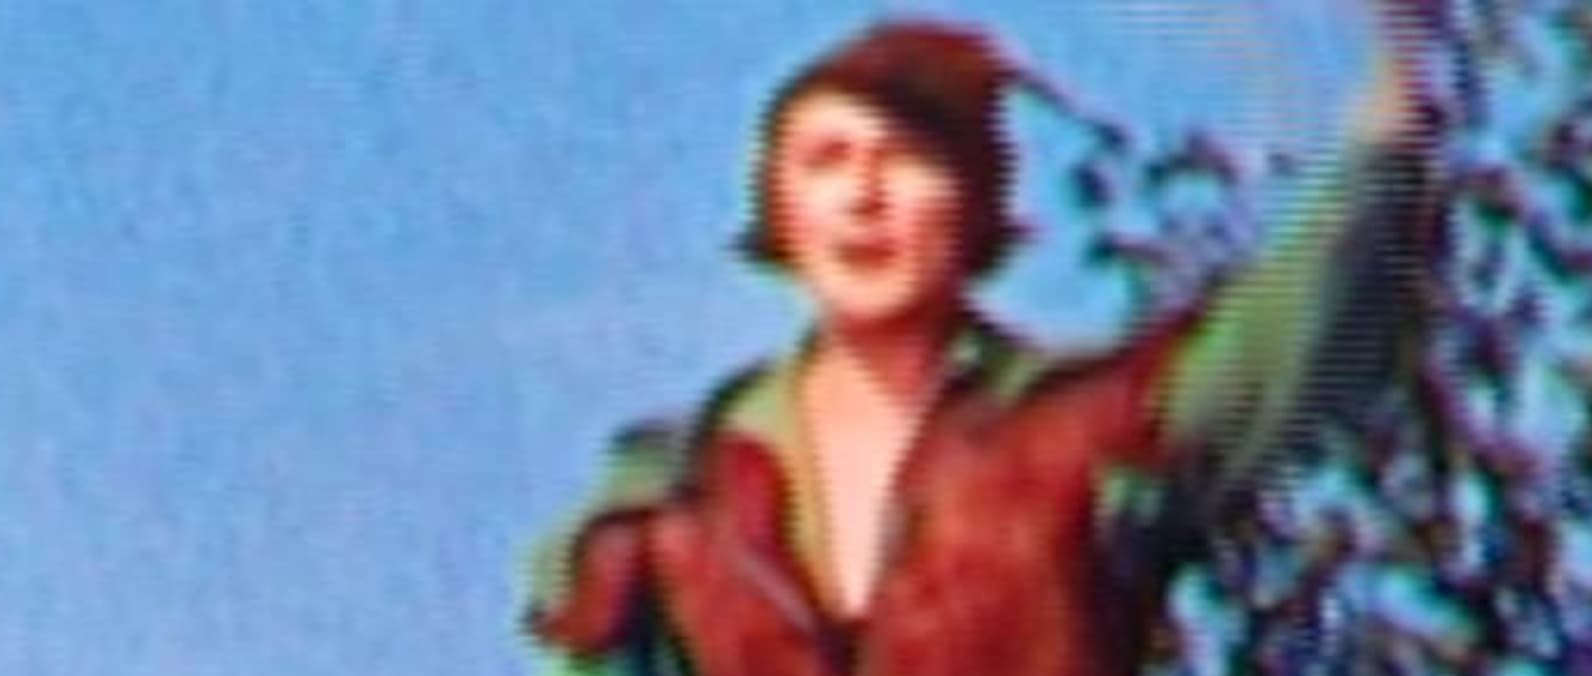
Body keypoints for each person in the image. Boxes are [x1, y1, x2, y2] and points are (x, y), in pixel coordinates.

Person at [526, 14, 1431, 676]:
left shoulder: (1086, 428)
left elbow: (1289, 344)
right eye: (826, 161)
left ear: (973, 198)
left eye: (905, 157)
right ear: (780, 210)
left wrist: (1385, 147)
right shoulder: (683, 488)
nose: (864, 197)